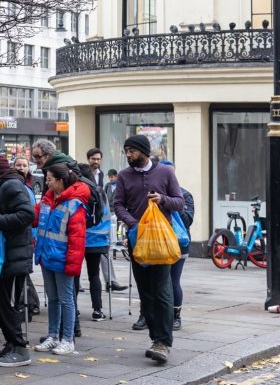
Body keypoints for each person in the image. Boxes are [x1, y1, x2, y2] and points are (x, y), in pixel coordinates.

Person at [112, 134, 185, 364]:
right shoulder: (124, 176)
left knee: (163, 290)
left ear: (143, 151)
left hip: (161, 241)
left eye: (132, 151)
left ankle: (163, 342)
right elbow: (117, 204)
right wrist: (133, 222)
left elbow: (179, 202)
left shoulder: (165, 173)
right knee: (146, 293)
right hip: (137, 240)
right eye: (126, 151)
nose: (128, 155)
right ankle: (156, 339)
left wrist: (162, 199)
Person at [0, 155, 36, 367]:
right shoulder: (7, 185)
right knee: (3, 301)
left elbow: (27, 214)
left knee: (10, 303)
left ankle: (20, 348)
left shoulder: (11, 186)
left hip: (15, 255)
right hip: (10, 254)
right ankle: (11, 344)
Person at [33, 164, 88, 356]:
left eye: (49, 179)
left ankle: (67, 339)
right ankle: (53, 336)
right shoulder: (47, 200)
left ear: (60, 180)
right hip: (47, 257)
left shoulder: (74, 205)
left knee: (66, 300)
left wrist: (72, 265)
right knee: (53, 299)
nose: (46, 182)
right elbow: (34, 218)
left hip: (63, 259)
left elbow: (77, 239)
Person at [160, 161, 194, 332]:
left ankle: (176, 316)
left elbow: (188, 221)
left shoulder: (185, 195)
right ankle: (148, 315)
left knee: (173, 281)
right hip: (158, 243)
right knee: (157, 282)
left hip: (179, 244)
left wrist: (175, 202)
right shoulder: (155, 194)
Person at [77, 163, 111, 322]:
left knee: (74, 275)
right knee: (94, 274)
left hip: (79, 239)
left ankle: (73, 309)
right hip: (97, 241)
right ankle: (97, 310)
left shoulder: (78, 191)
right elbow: (106, 218)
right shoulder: (100, 193)